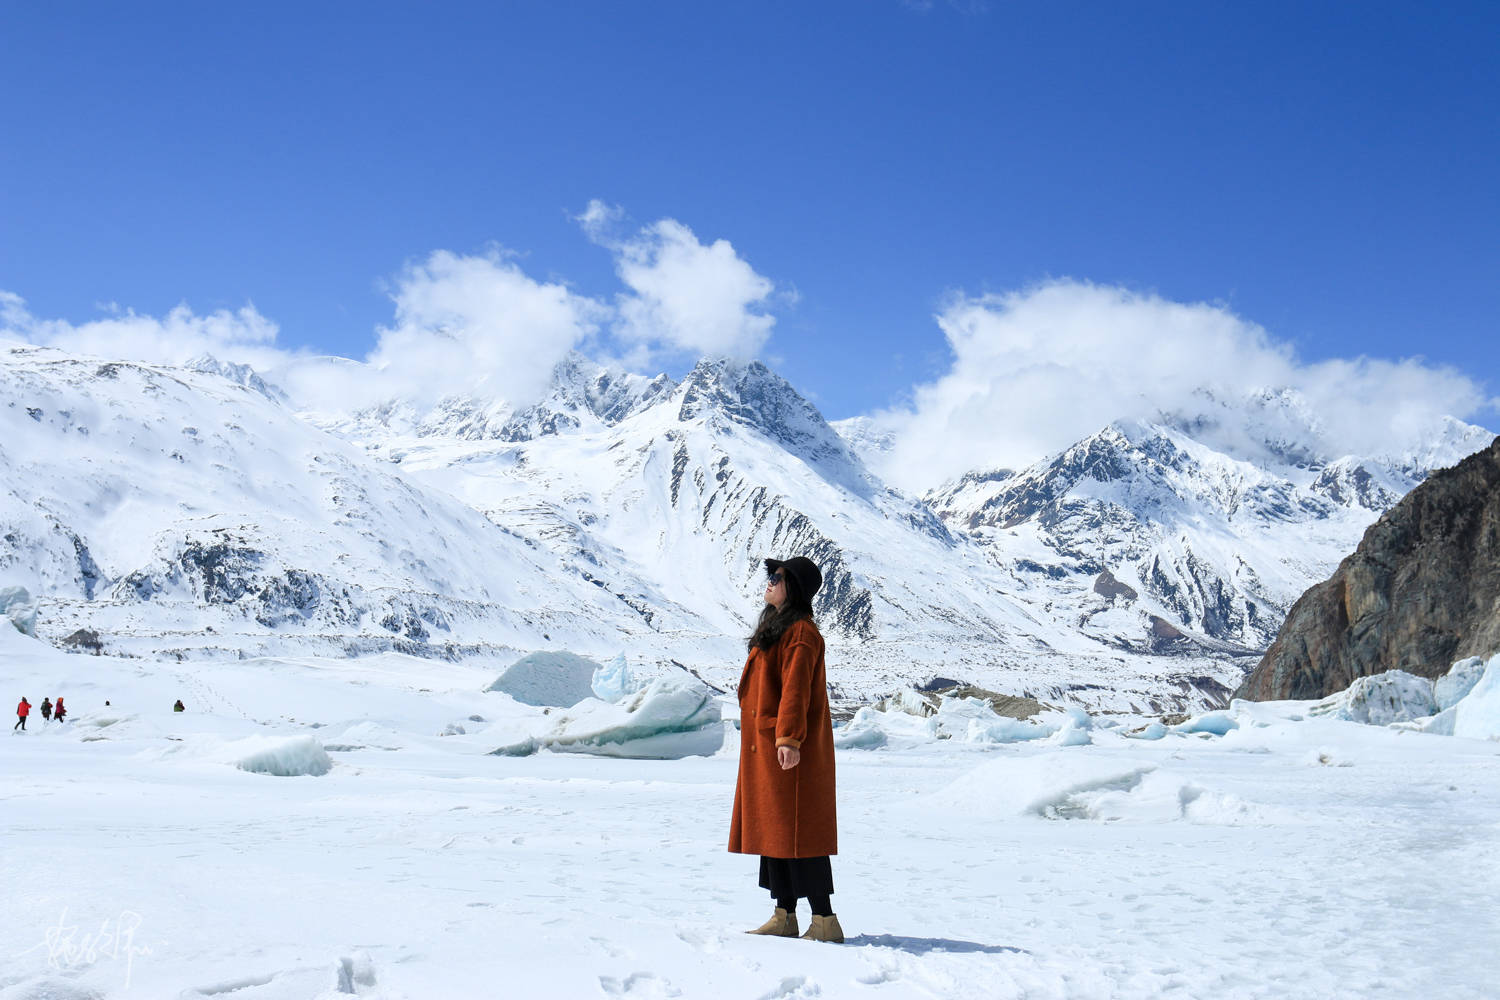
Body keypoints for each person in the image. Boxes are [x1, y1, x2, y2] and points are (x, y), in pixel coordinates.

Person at [728, 556, 843, 944]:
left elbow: (795, 689)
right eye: (770, 576)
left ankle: (825, 920)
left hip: (787, 747)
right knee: (777, 832)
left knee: (800, 833)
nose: (770, 581)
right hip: (768, 747)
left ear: (793, 588)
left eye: (778, 577)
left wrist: (789, 739)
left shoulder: (801, 633)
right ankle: (784, 914)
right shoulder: (777, 627)